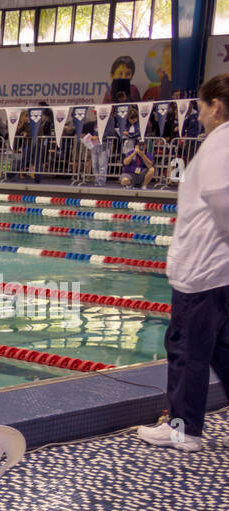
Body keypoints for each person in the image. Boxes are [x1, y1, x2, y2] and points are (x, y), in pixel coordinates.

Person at [136, 74, 229, 453]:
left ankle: (182, 429)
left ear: (216, 107)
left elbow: (221, 199)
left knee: (186, 350)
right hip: (219, 273)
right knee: (223, 350)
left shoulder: (219, 145)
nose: (200, 115)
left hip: (202, 273)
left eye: (202, 107)